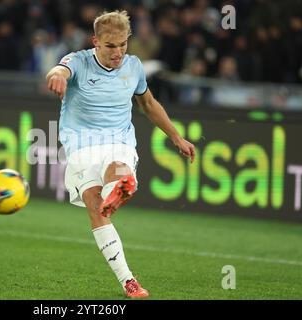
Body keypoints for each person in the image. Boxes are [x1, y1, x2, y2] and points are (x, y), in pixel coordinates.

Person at [45, 10, 195, 298]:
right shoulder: (79, 61)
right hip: (81, 145)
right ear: (96, 42)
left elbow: (148, 104)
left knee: (117, 168)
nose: (118, 52)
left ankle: (120, 188)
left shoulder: (134, 67)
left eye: (123, 44)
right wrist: (56, 76)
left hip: (119, 141)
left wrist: (176, 137)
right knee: (95, 207)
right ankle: (128, 280)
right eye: (111, 46)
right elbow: (59, 70)